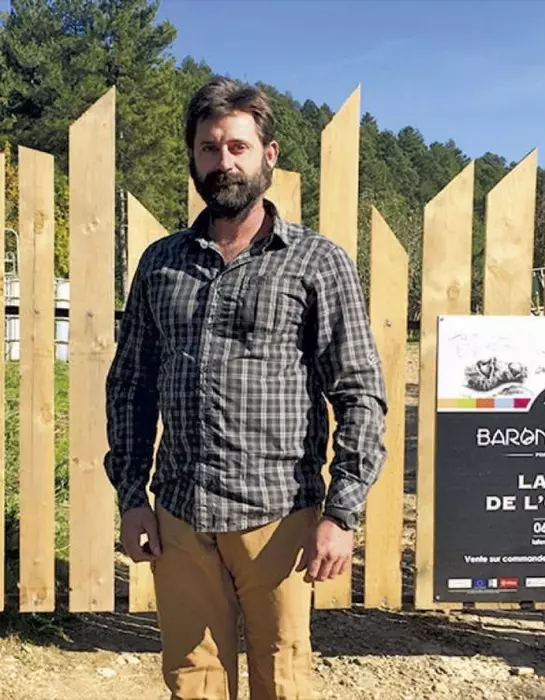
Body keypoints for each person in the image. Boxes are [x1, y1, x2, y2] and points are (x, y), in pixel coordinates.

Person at [103, 75, 388, 700]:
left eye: (237, 146)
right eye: (209, 148)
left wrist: (342, 513)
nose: (223, 161)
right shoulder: (161, 263)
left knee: (281, 677)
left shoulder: (316, 263)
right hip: (179, 514)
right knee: (192, 677)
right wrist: (131, 495)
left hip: (276, 516)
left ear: (269, 155)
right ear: (194, 158)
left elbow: (359, 391)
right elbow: (129, 387)